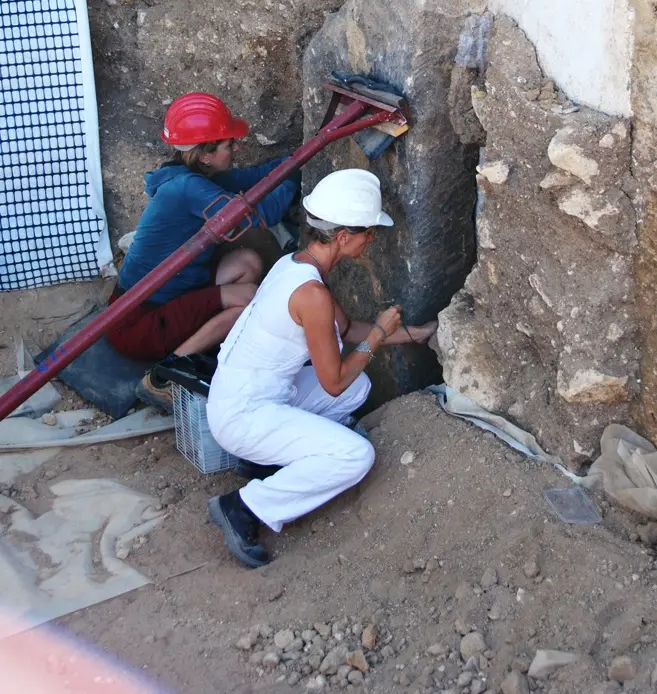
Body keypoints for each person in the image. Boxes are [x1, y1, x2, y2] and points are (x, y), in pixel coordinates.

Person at [205, 168, 438, 568]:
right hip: (242, 416)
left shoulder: (295, 265)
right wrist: (379, 336)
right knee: (355, 456)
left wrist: (418, 333)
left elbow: (345, 329)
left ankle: (261, 461)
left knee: (358, 388)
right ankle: (244, 507)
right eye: (368, 232)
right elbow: (333, 381)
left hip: (245, 393)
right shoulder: (311, 294)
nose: (371, 240)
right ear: (343, 237)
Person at [106, 92, 299, 412]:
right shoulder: (188, 189)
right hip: (139, 323)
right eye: (228, 144)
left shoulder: (189, 174)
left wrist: (296, 159)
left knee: (248, 262)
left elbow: (251, 178)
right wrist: (293, 177)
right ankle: (167, 374)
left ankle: (202, 343)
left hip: (166, 296)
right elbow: (259, 216)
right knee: (250, 298)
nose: (236, 148)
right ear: (206, 154)